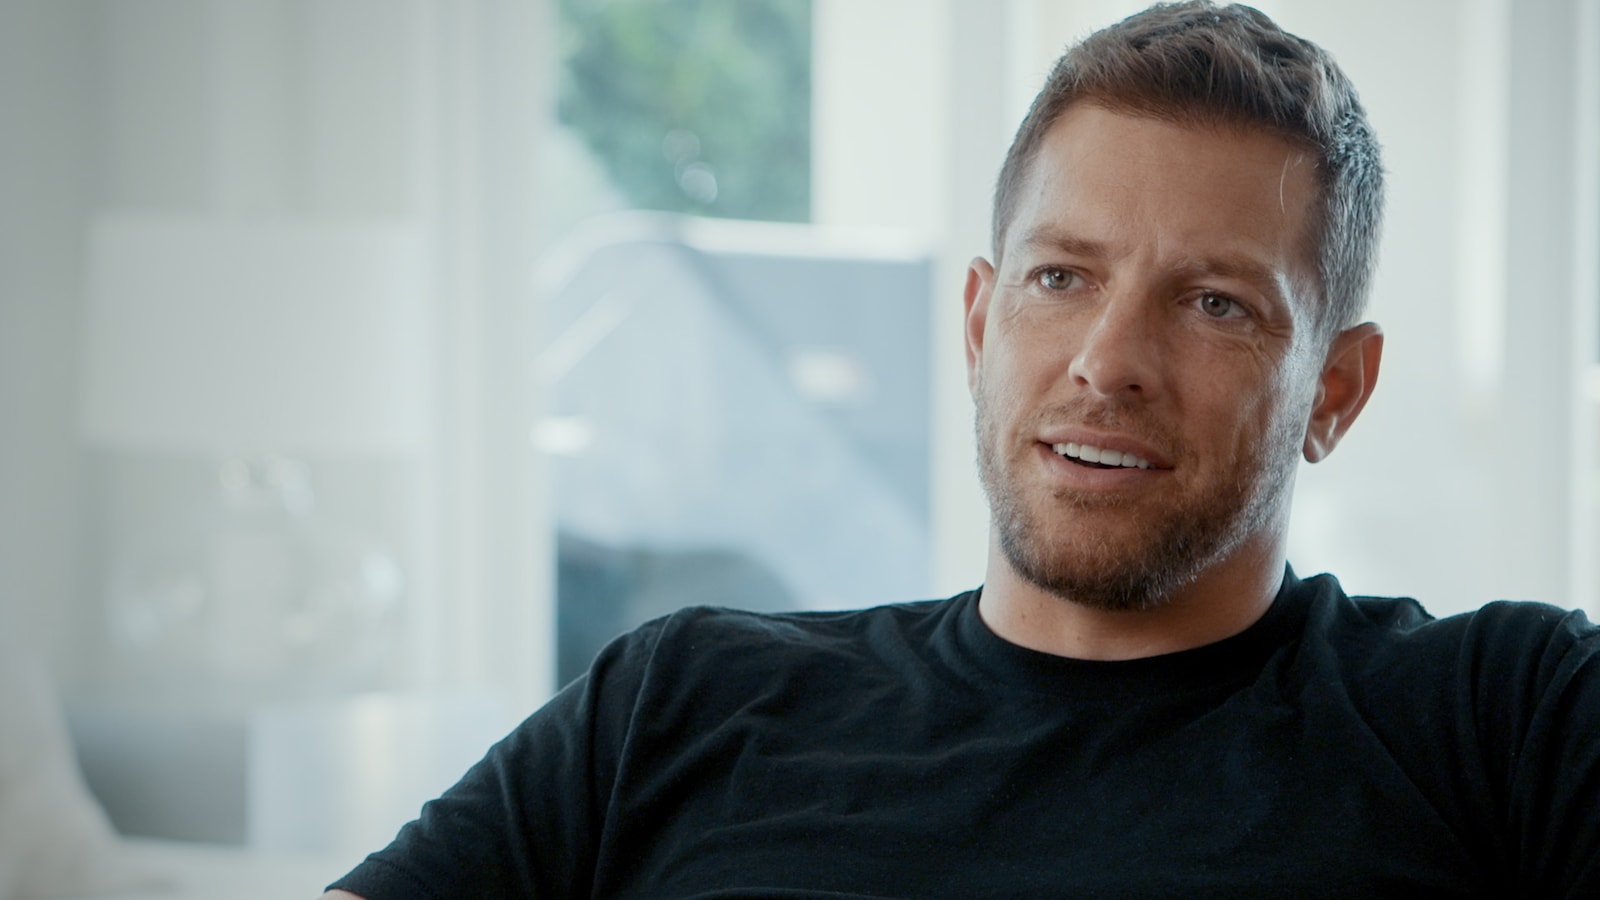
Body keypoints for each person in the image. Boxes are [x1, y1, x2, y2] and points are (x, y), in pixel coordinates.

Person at [323, 2, 1600, 897]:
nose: (1106, 360)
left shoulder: (1508, 719)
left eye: (1215, 303)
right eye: (1060, 277)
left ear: (1335, 389)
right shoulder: (680, 703)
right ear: (981, 324)